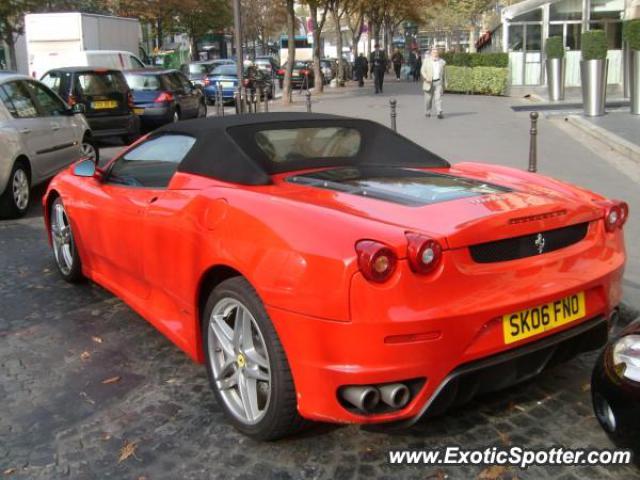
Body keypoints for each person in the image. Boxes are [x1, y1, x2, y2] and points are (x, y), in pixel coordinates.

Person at [421, 47, 446, 119]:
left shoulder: (442, 62)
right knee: (428, 99)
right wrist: (426, 78)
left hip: (438, 82)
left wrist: (445, 83)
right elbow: (422, 70)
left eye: (436, 52)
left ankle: (439, 112)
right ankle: (427, 111)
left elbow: (444, 74)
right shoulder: (426, 61)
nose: (435, 53)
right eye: (434, 52)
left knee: (438, 98)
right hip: (428, 82)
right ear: (431, 53)